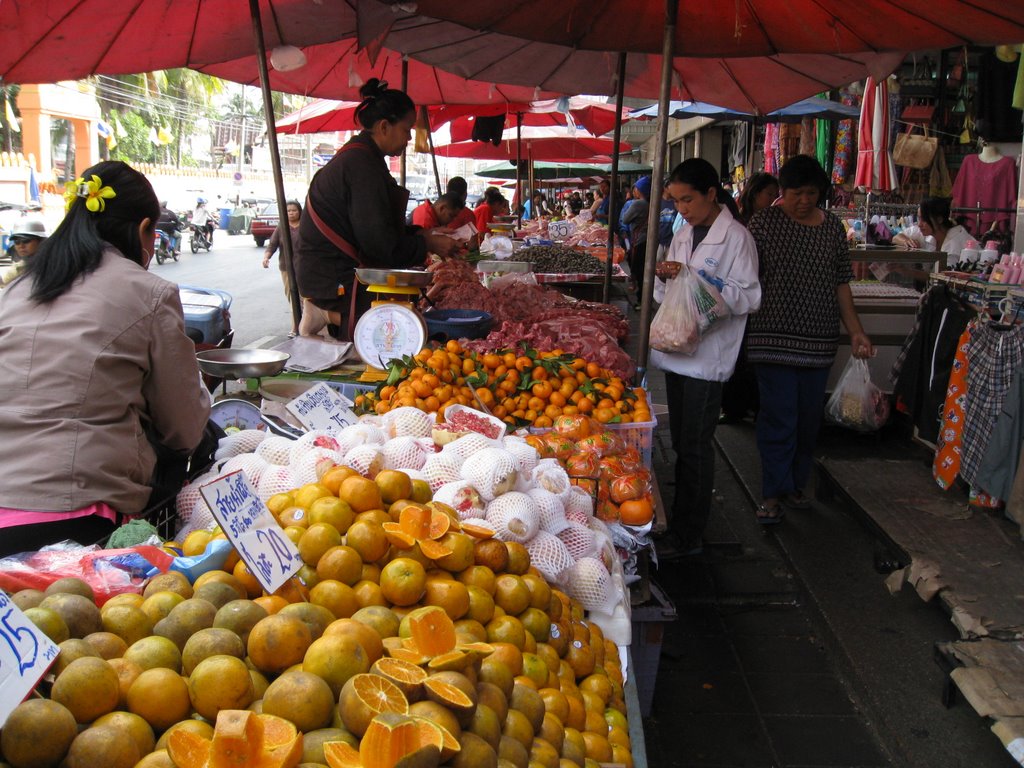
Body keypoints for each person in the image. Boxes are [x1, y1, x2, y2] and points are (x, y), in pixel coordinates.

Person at [0, 161, 211, 555]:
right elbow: (182, 427)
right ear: (144, 229)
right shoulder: (149, 291)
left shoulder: (17, 289)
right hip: (79, 521)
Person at [746, 155, 873, 524]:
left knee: (807, 420)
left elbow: (841, 283)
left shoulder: (832, 228)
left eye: (812, 193)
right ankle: (772, 494)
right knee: (779, 417)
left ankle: (796, 485)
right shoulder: (763, 223)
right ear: (781, 192)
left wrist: (856, 330)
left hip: (818, 340)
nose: (804, 200)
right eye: (796, 193)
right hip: (771, 339)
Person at [651, 159, 762, 558]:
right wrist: (667, 279)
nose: (682, 208)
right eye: (676, 200)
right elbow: (666, 298)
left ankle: (690, 534)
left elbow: (749, 296)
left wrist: (699, 283)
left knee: (695, 445)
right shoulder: (683, 234)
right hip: (677, 353)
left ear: (711, 194)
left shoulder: (736, 237)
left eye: (688, 199)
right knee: (681, 442)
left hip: (706, 360)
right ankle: (683, 522)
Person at [296, 79, 457, 339]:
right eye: (406, 130)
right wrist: (425, 243)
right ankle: (323, 314)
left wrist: (422, 236)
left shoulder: (365, 159)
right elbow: (380, 244)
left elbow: (381, 226)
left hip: (330, 272)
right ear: (384, 126)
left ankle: (324, 315)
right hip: (334, 276)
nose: (408, 138)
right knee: (385, 337)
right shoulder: (361, 166)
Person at [721, 172, 779, 421]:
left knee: (748, 359)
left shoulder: (766, 223)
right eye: (770, 195)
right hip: (742, 304)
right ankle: (737, 406)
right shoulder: (743, 225)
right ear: (755, 194)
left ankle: (745, 406)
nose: (774, 200)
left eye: (777, 196)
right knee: (740, 357)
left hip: (757, 303)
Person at [263, 199, 303, 338]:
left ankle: (302, 326)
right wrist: (266, 257)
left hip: (304, 268)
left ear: (299, 211)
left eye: (294, 210)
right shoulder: (282, 227)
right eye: (288, 211)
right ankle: (297, 326)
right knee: (293, 298)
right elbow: (272, 245)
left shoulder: (305, 226)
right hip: (286, 268)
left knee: (305, 298)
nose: (291, 213)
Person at [892, 196, 971, 266]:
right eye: (919, 218)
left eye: (924, 219)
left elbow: (942, 276)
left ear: (939, 219)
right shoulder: (928, 231)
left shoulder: (956, 241)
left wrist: (905, 271)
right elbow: (895, 238)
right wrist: (906, 241)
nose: (919, 224)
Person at [622, 176, 652, 309]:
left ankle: (642, 301)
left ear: (640, 190)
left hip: (639, 240)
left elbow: (625, 219)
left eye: (636, 188)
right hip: (649, 240)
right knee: (644, 271)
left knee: (639, 271)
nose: (634, 191)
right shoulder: (652, 203)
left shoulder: (638, 204)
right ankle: (644, 299)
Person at [1, 220, 48, 287]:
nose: (21, 246)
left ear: (41, 241)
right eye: (17, 242)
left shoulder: (52, 262)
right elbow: (5, 278)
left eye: (26, 241)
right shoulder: (23, 264)